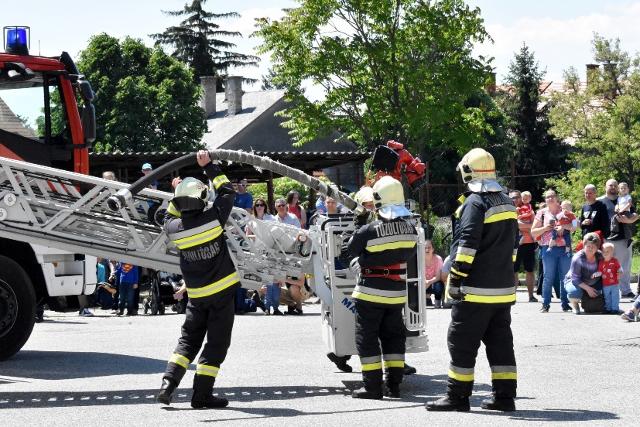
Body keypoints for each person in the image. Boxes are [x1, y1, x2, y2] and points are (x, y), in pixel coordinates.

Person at [427, 148, 518, 413]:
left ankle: (457, 397)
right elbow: (514, 244)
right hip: (502, 290)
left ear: (469, 172)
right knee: (501, 343)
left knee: (461, 342)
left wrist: (454, 279)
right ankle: (504, 397)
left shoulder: (475, 203)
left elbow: (466, 245)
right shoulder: (507, 202)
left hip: (475, 291)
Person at [157, 150, 239, 409]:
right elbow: (227, 192)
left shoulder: (174, 230)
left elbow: (169, 215)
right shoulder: (213, 220)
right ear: (202, 199)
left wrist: (177, 192)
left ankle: (168, 385)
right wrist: (210, 167)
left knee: (188, 340)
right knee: (216, 343)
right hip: (222, 293)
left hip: (196, 295)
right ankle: (201, 395)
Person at [348, 176, 418, 400]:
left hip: (369, 294)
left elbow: (348, 250)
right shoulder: (411, 230)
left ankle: (372, 388)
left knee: (367, 340)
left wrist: (360, 222)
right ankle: (395, 386)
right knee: (394, 339)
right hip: (396, 294)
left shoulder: (369, 230)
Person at [531, 190, 575, 313]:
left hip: (564, 248)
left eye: (552, 196)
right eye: (547, 197)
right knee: (548, 277)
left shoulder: (565, 210)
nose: (550, 198)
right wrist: (545, 228)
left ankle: (565, 304)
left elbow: (575, 226)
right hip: (548, 248)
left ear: (557, 198)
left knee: (565, 277)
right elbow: (533, 232)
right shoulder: (542, 213)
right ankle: (545, 304)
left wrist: (564, 227)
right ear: (545, 200)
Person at [598, 179, 638, 299]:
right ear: (605, 187)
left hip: (623, 237)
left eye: (615, 185)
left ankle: (625, 291)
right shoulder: (600, 201)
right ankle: (605, 291)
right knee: (605, 266)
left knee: (625, 266)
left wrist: (629, 220)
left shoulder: (624, 198)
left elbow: (635, 215)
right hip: (606, 239)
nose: (613, 187)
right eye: (610, 185)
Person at [563, 233, 604, 315]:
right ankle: (574, 304)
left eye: (593, 247)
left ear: (597, 247)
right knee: (574, 293)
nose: (590, 249)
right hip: (575, 282)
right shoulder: (577, 258)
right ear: (584, 245)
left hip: (593, 281)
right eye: (588, 246)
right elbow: (575, 279)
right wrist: (588, 289)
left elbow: (607, 267)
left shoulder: (600, 255)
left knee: (603, 294)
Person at [510, 190, 538, 302]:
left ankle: (531, 296)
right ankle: (512, 296)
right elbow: (513, 224)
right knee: (513, 271)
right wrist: (527, 225)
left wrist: (521, 225)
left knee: (530, 270)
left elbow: (534, 225)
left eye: (517, 197)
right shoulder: (508, 209)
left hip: (529, 244)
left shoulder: (529, 209)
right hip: (513, 245)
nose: (515, 200)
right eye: (513, 198)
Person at [596, 242, 622, 314]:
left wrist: (620, 272)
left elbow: (620, 269)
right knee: (607, 297)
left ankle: (615, 308)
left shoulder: (615, 261)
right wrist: (596, 274)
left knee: (615, 296)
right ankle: (608, 308)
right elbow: (600, 271)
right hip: (605, 284)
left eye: (607, 251)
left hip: (614, 283)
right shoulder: (601, 262)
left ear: (612, 252)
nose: (605, 253)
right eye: (603, 251)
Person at [424, 240, 444, 308]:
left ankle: (437, 301)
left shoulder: (438, 259)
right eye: (425, 247)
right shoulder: (418, 259)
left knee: (438, 285)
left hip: (434, 281)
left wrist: (429, 282)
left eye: (429, 247)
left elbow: (438, 277)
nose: (427, 249)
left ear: (433, 249)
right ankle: (426, 299)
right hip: (424, 281)